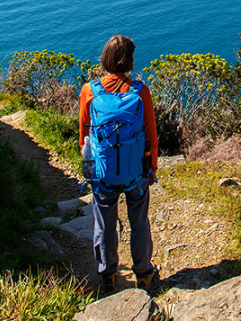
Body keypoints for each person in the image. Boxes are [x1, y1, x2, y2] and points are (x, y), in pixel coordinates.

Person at [79, 34, 159, 292]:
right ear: (130, 60)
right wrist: (151, 169)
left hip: (102, 175)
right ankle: (144, 273)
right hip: (136, 174)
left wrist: (91, 167)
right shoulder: (140, 91)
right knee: (139, 222)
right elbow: (151, 136)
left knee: (104, 224)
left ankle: (107, 275)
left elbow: (84, 136)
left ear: (105, 58)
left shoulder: (89, 91)